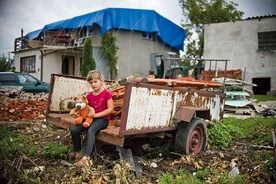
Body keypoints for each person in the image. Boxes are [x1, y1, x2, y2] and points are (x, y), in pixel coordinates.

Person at [70, 70, 114, 167]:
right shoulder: (89, 96)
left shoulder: (107, 93)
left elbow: (110, 109)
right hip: (90, 118)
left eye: (95, 82)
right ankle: (78, 152)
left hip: (102, 119)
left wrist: (96, 115)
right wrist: (78, 113)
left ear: (101, 81)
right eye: (91, 82)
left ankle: (86, 157)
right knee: (74, 130)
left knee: (91, 130)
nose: (93, 84)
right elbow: (85, 108)